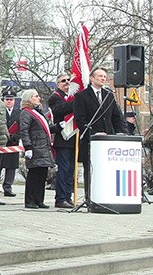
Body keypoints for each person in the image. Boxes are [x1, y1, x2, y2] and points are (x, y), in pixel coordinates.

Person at [73, 67, 126, 207]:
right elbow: (80, 119)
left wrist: (120, 132)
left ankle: (106, 198)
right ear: (91, 78)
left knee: (106, 170)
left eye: (104, 76)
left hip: (108, 141)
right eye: (100, 76)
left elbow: (116, 116)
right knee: (90, 171)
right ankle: (90, 199)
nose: (103, 78)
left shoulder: (109, 95)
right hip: (91, 139)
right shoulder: (82, 96)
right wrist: (92, 133)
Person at [19, 89, 55, 209]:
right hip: (34, 147)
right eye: (36, 96)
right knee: (34, 175)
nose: (39, 98)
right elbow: (24, 131)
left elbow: (45, 129)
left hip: (43, 148)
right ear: (29, 98)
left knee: (42, 175)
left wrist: (57, 127)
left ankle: (39, 200)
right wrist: (28, 147)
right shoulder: (26, 113)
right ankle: (30, 200)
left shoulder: (38, 112)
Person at [48, 73, 75, 209]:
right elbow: (61, 110)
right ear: (58, 84)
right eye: (63, 81)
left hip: (74, 136)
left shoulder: (72, 96)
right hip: (62, 137)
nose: (67, 82)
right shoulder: (55, 97)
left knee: (71, 170)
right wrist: (77, 100)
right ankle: (60, 198)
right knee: (63, 170)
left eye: (69, 80)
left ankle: (68, 196)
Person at [0, 89, 21, 197]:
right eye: (7, 99)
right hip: (1, 143)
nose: (9, 101)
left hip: (13, 143)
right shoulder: (0, 111)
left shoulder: (19, 113)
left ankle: (8, 188)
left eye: (11, 99)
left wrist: (16, 137)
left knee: (11, 167)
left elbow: (22, 128)